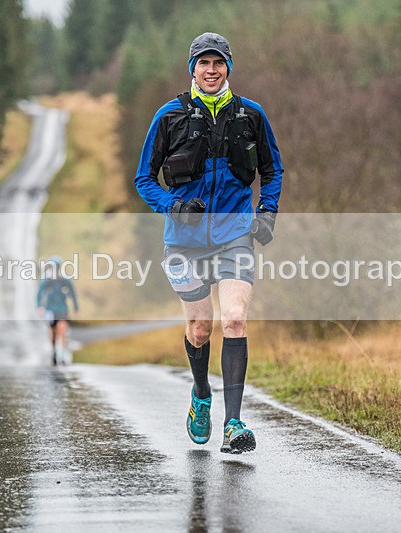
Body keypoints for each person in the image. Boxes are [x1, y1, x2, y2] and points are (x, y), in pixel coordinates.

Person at [135, 32, 283, 453]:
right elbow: (143, 178)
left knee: (234, 318)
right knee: (200, 328)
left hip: (235, 234)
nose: (212, 70)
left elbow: (272, 170)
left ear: (229, 68)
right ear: (193, 69)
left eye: (219, 62)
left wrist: (267, 213)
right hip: (183, 242)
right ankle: (201, 395)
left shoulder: (250, 115)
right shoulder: (169, 116)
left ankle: (233, 423)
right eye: (204, 62)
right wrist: (172, 205)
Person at [36, 256, 79, 365]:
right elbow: (40, 293)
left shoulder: (65, 279)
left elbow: (72, 293)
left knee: (62, 330)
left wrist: (76, 307)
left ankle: (64, 355)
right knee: (53, 334)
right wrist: (39, 306)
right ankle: (54, 353)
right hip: (50, 310)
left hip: (62, 309)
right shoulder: (46, 280)